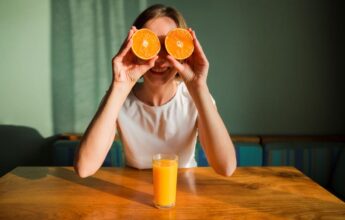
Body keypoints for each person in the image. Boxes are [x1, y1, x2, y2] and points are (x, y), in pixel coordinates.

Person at [74, 4, 236, 178]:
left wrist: (199, 87)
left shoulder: (195, 98)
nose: (159, 60)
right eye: (150, 46)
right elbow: (84, 168)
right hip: (132, 192)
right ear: (134, 48)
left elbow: (226, 167)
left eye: (169, 46)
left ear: (183, 52)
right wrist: (120, 86)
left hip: (184, 190)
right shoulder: (118, 98)